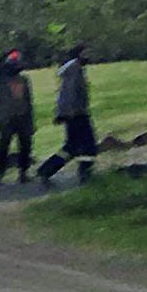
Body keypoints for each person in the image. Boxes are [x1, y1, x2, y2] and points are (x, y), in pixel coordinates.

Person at [37, 43, 98, 186]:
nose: (88, 57)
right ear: (79, 55)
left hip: (74, 113)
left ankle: (47, 170)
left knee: (72, 146)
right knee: (88, 145)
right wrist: (69, 112)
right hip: (76, 114)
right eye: (86, 53)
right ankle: (85, 174)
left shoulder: (74, 69)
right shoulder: (74, 70)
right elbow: (69, 93)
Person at [0, 48, 34, 185]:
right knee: (4, 147)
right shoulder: (2, 77)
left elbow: (28, 101)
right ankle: (0, 175)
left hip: (22, 117)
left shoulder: (24, 80)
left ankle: (23, 173)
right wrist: (4, 53)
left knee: (25, 146)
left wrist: (31, 120)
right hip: (7, 118)